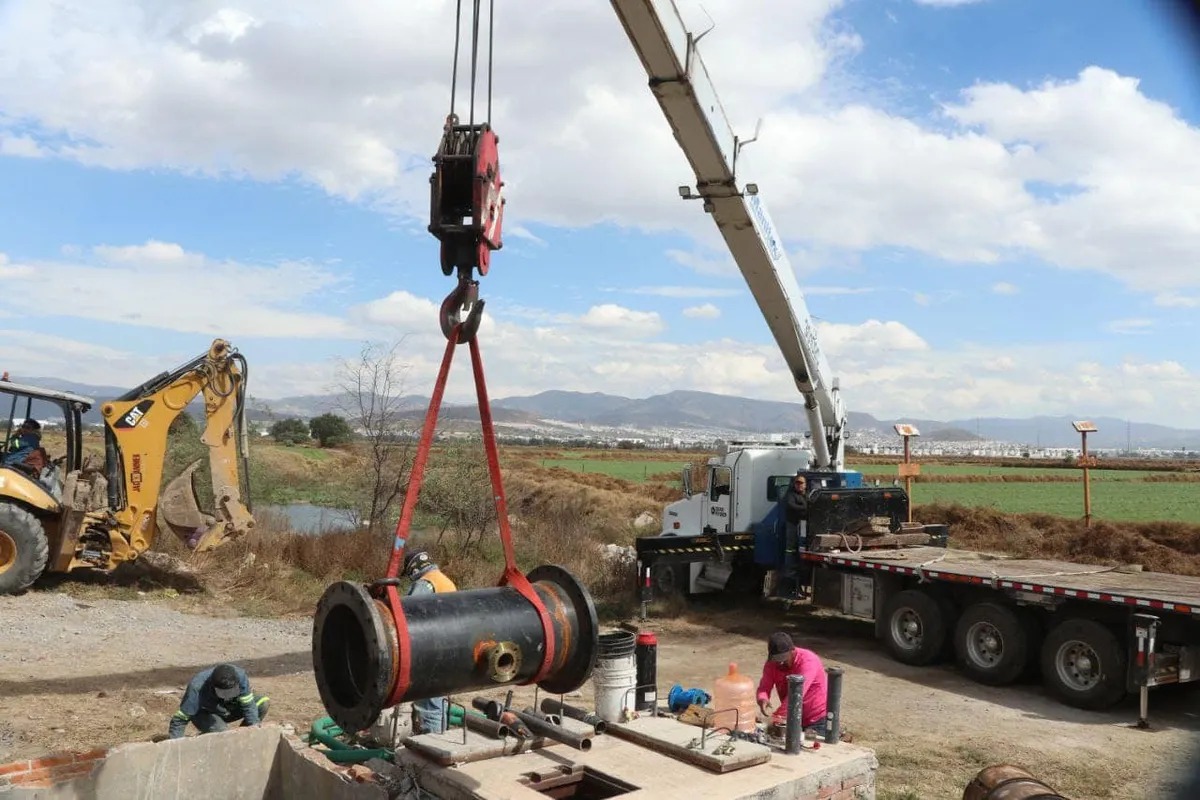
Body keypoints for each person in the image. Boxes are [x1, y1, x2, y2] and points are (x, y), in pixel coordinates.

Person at [404, 551, 457, 734]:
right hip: (452, 647)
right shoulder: (444, 580)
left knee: (428, 703)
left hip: (431, 650)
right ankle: (443, 737)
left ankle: (432, 742)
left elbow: (408, 614)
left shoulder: (424, 584)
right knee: (439, 700)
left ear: (412, 568)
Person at [168, 663, 269, 739]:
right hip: (206, 713)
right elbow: (179, 721)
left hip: (228, 708)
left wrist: (254, 728)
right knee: (221, 731)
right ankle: (210, 736)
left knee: (263, 703)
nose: (228, 696)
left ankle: (241, 737)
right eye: (224, 693)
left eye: (231, 692)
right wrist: (176, 745)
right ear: (213, 686)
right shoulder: (197, 688)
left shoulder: (240, 676)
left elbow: (248, 706)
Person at [756, 631, 828, 737]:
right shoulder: (772, 663)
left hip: (816, 720)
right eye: (777, 660)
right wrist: (762, 699)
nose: (780, 663)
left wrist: (775, 718)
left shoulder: (808, 661)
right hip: (793, 718)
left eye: (783, 659)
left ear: (792, 650)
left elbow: (795, 696)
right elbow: (764, 687)